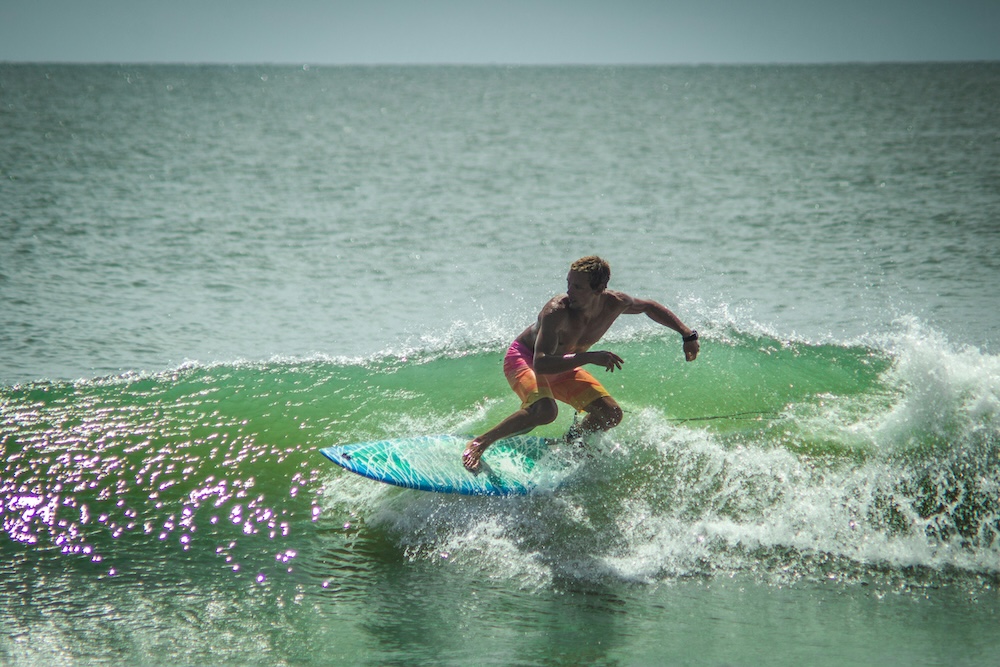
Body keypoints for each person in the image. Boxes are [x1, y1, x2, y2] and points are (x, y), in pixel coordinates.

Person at [462, 255, 700, 473]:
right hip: (526, 358)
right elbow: (542, 363)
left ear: (599, 289)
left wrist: (687, 334)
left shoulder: (615, 303)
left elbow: (648, 307)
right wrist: (589, 357)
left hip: (564, 364)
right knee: (546, 411)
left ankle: (570, 444)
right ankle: (481, 441)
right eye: (568, 283)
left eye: (577, 287)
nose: (569, 291)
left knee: (610, 414)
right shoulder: (557, 311)